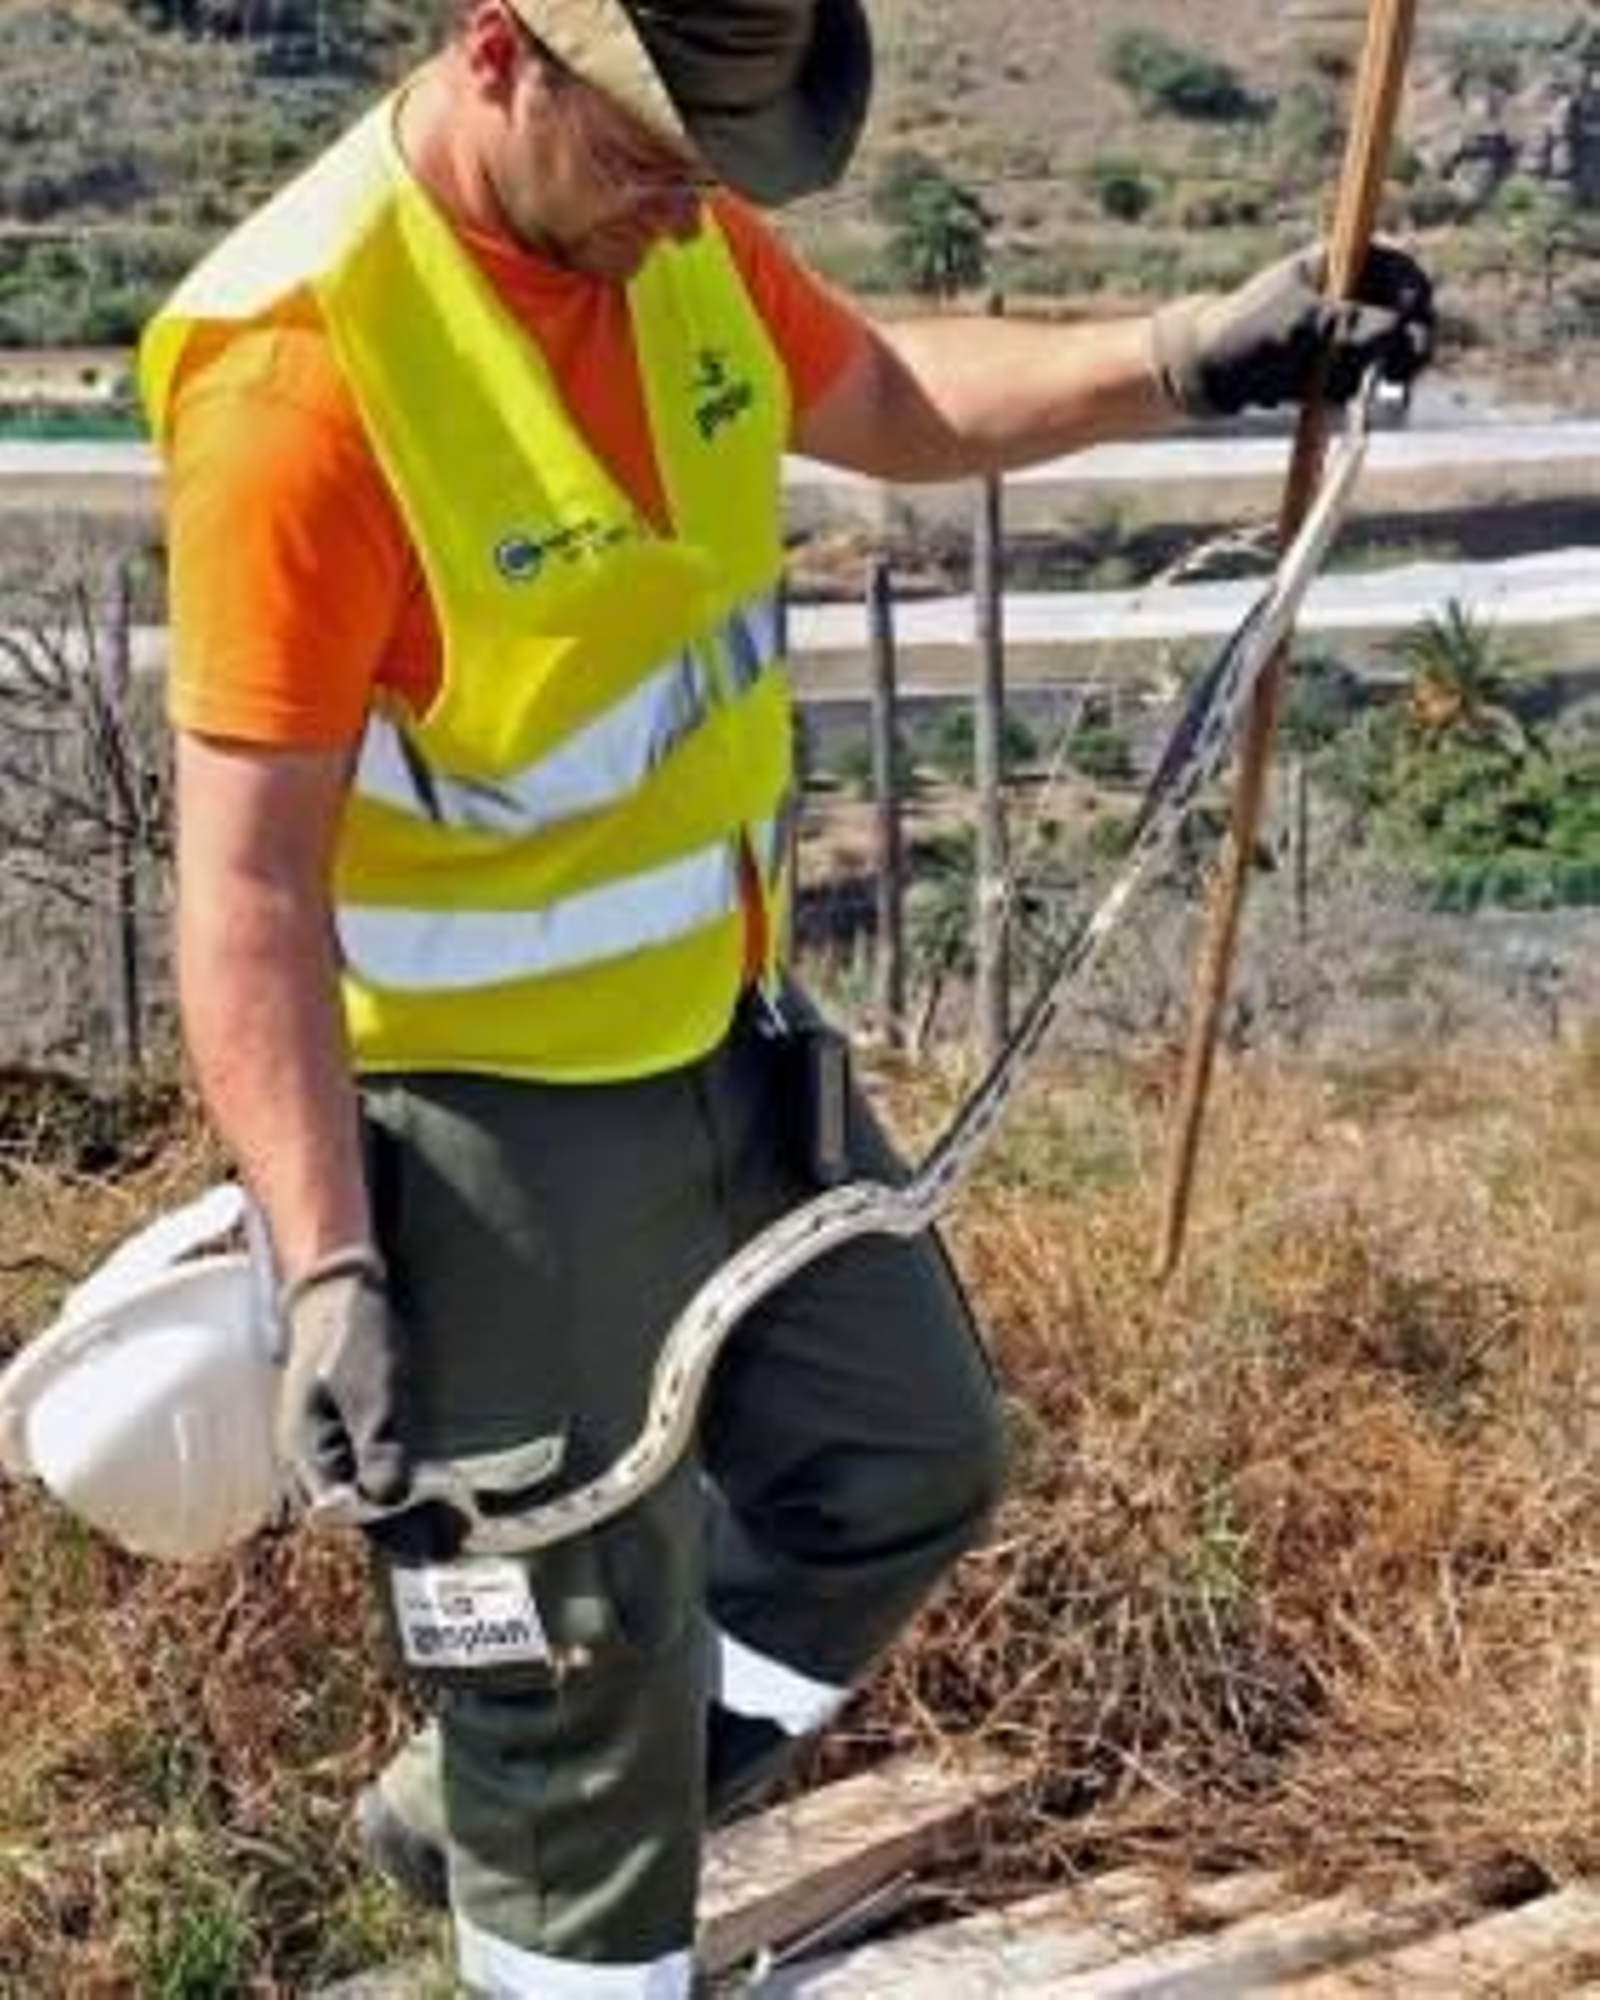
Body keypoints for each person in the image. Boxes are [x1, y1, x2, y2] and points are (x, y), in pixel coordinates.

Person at [141, 1, 1435, 1991]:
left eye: (711, 178)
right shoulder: (303, 379)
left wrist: (1187, 353)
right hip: (481, 1131)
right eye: (654, 164)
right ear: (501, 51)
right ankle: (556, 1826)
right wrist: (333, 1268)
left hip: (729, 1044)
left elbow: (894, 392)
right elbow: (240, 883)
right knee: (568, 1672)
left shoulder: (664, 230)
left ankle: (514, 1808)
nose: (689, 219)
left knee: (901, 1460)